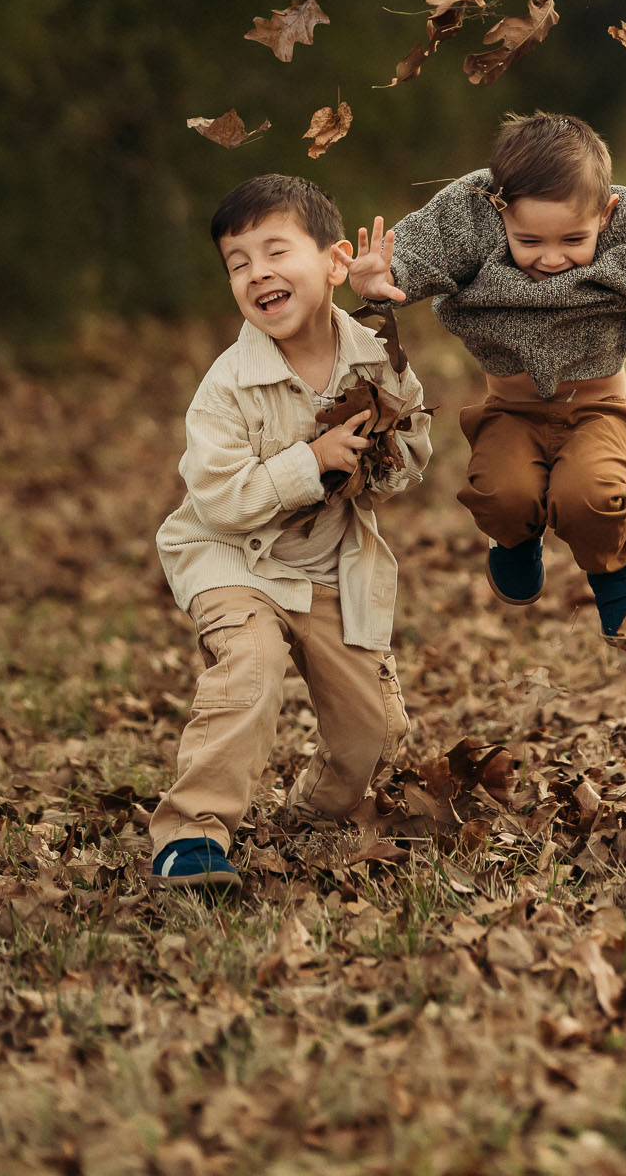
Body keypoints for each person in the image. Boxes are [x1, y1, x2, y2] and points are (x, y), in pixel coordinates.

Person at [345, 111, 626, 645]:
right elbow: (422, 251)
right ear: (500, 212)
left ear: (605, 215)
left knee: (587, 496)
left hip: (597, 408)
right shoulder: (472, 211)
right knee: (501, 496)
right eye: (530, 241)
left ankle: (615, 567)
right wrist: (385, 277)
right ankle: (514, 538)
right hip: (510, 409)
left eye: (572, 239)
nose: (552, 258)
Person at [150, 174, 431, 891]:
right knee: (250, 667)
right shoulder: (226, 387)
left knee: (374, 735)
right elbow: (217, 501)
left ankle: (311, 812)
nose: (257, 273)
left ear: (335, 263)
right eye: (238, 263)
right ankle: (192, 834)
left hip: (325, 568)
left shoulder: (371, 353)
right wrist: (307, 462)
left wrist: (385, 454)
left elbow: (413, 446)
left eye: (276, 251)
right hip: (231, 559)